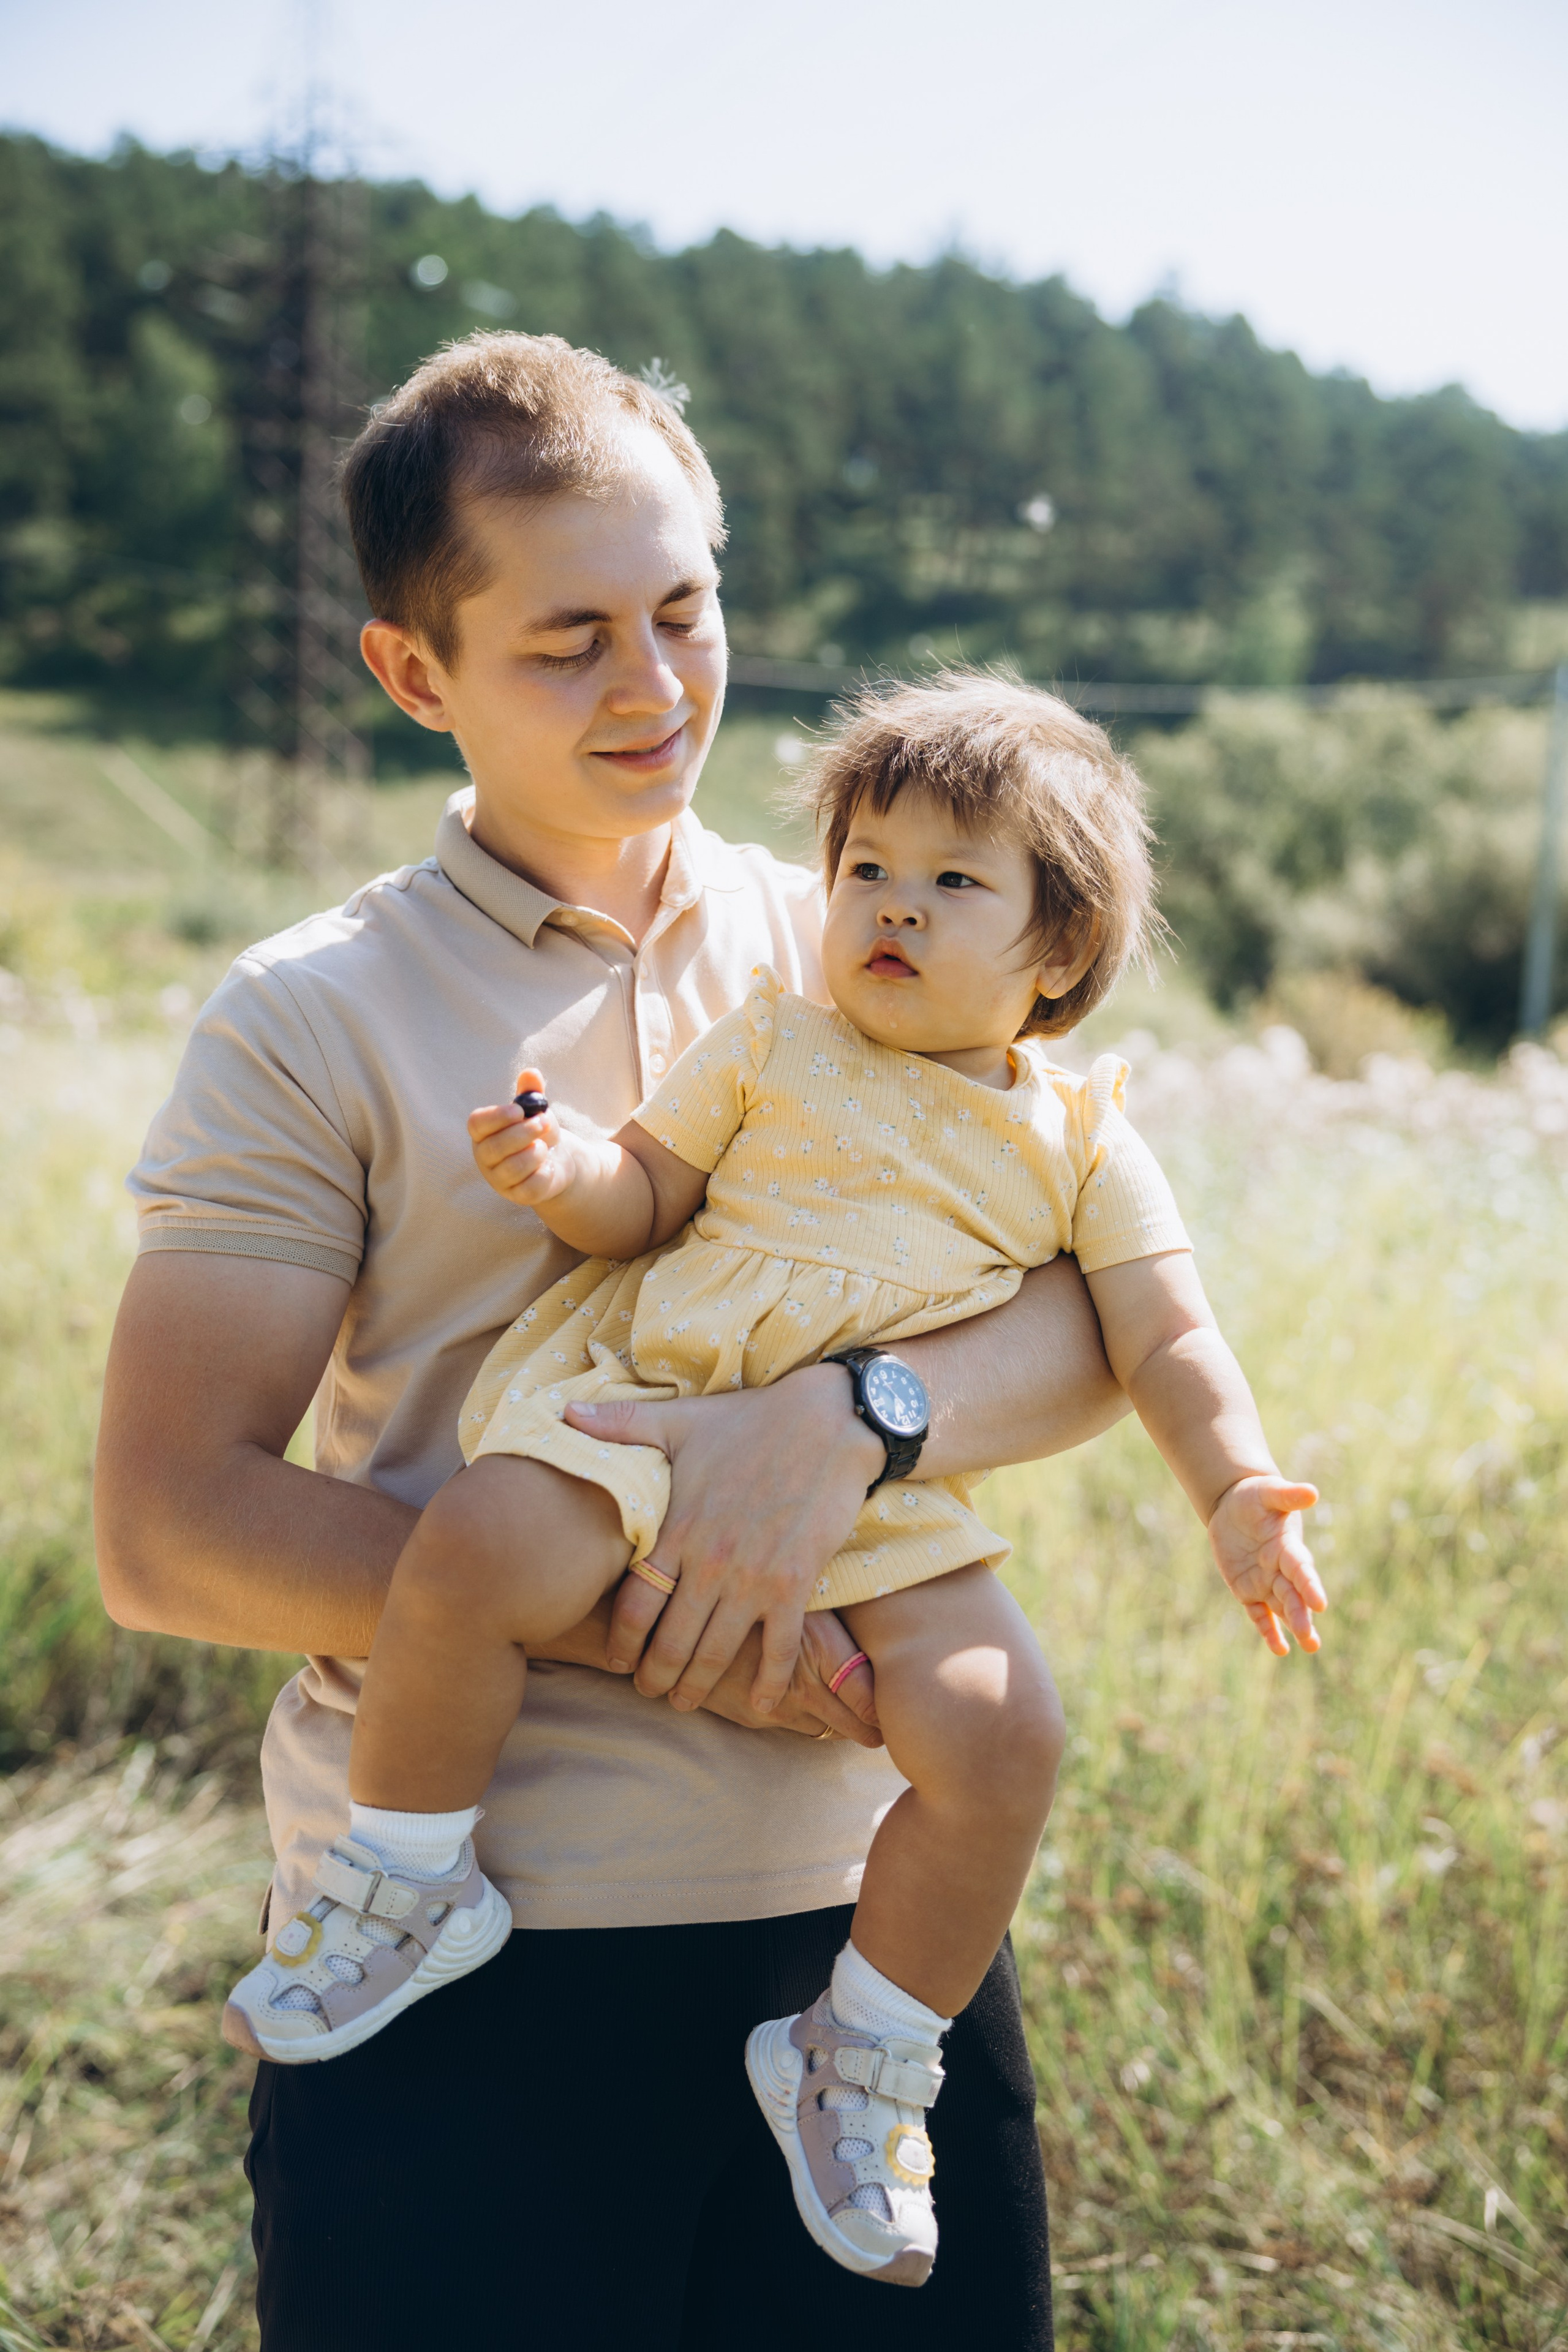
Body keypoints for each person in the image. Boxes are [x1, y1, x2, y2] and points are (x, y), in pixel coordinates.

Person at [94, 332, 1131, 2349]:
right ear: (419, 676)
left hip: (868, 1980)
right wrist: (636, 1602)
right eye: (568, 640)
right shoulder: (307, 1017)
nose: (654, 689)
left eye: (683, 610)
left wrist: (856, 1420)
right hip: (465, 1966)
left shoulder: (877, 934)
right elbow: (170, 1529)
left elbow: (1099, 1312)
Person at [222, 672, 1327, 2288]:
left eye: (957, 882)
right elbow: (643, 1195)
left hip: (881, 1502)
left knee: (1005, 1729)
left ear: (1061, 951)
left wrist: (1236, 1485)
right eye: (869, 867)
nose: (894, 905)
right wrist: (561, 1168)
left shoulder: (1082, 1140)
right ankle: (402, 1875)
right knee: (466, 1552)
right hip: (657, 1407)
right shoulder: (771, 1045)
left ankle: (862, 2047)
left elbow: (1162, 1337)